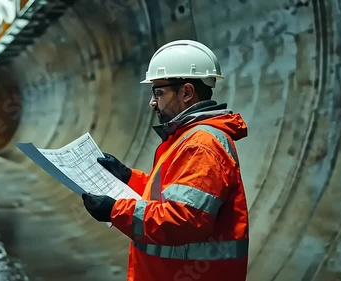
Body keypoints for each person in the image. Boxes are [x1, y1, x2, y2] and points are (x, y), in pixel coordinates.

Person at [82, 40, 249, 281]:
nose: (152, 103)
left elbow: (181, 220)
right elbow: (171, 195)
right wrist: (129, 177)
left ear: (187, 92)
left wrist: (115, 210)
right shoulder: (187, 138)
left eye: (158, 93)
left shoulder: (201, 145)